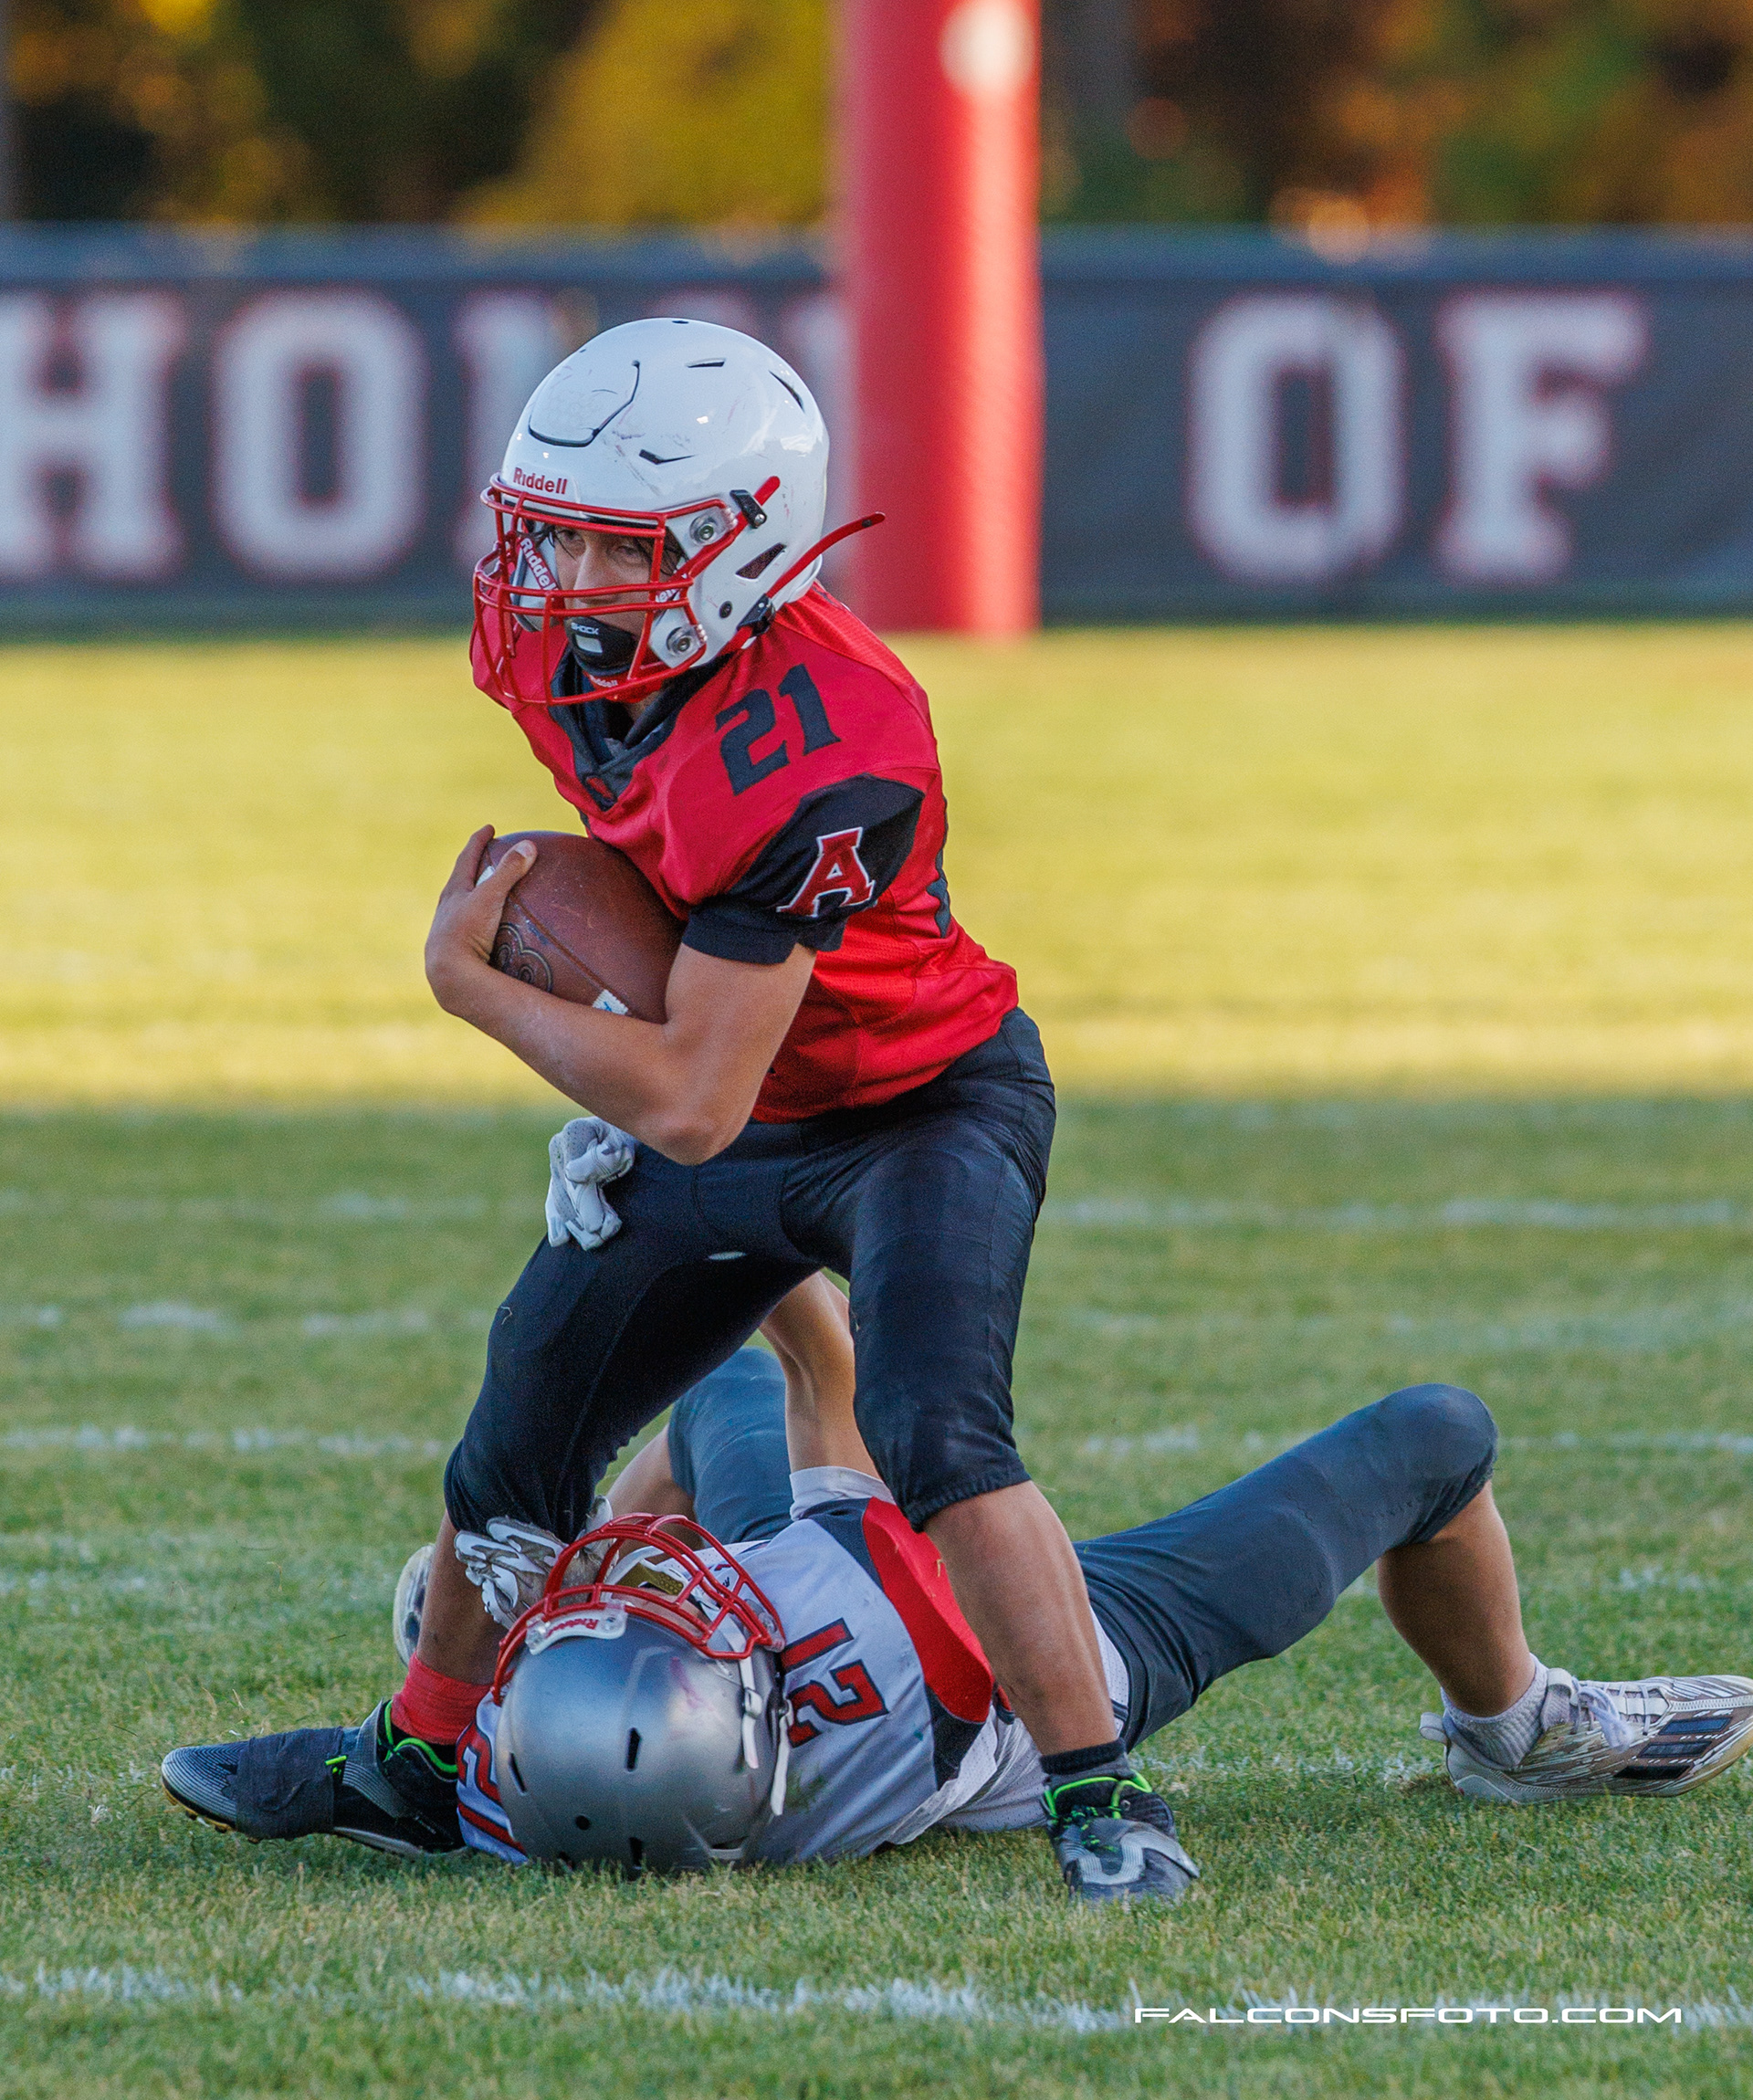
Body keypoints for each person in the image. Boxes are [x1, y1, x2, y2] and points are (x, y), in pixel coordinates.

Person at [163, 312, 1176, 1900]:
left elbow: (699, 1104)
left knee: (937, 1432)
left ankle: (1096, 1788)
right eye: (554, 536)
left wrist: (484, 991)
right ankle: (416, 1766)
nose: (564, 581)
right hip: (745, 1075)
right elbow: (669, 926)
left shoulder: (833, 744)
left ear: (736, 548)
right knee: (525, 1410)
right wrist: (618, 1020)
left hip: (917, 1106)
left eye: (614, 549)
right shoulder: (557, 657)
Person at [164, 1276, 1753, 1891]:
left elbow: (519, 1727)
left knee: (709, 1411)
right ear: (750, 1686)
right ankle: (1517, 1729)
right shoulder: (854, 1610)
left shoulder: (540, 1797)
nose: (648, 1585)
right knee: (1434, 1438)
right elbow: (831, 1355)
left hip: (851, 1656)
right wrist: (713, 1202)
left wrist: (481, 1663)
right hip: (1034, 1663)